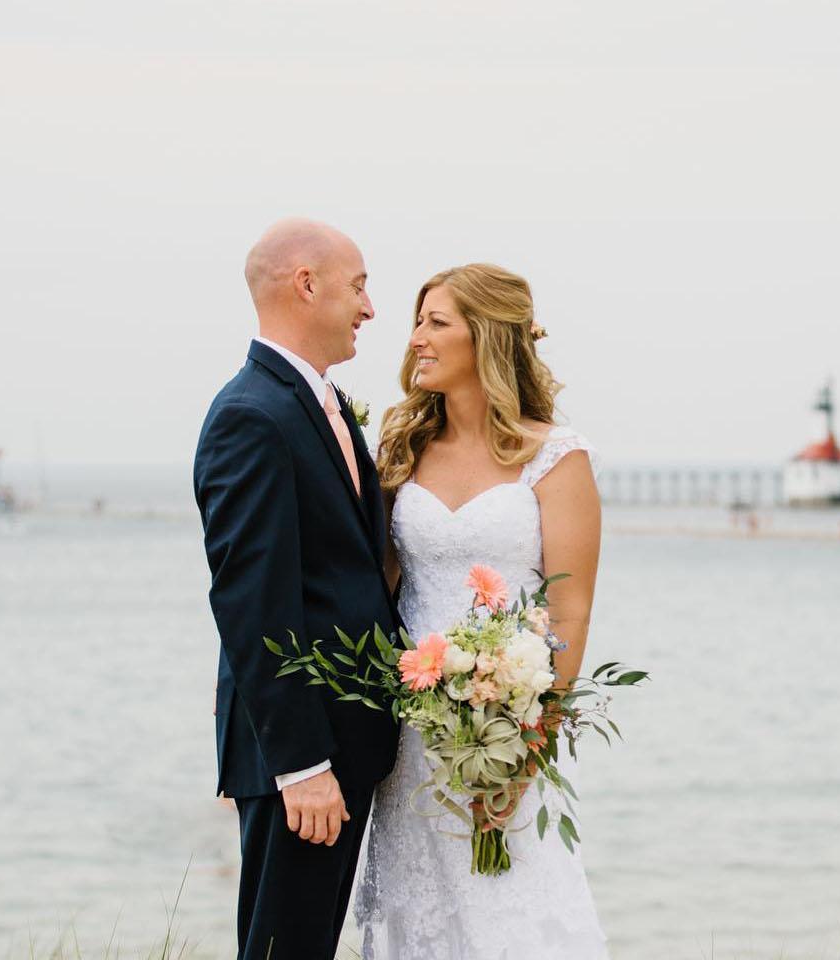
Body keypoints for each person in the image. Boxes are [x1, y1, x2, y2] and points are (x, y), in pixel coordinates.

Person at [356, 263, 609, 958]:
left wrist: (527, 750)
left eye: (436, 323)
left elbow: (572, 611)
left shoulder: (555, 457)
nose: (416, 340)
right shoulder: (402, 449)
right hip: (413, 729)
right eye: (417, 322)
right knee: (422, 911)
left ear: (488, 338)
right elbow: (376, 585)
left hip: (509, 726)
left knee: (511, 906)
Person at [193, 218, 399, 959]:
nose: (371, 308)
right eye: (360, 285)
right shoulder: (252, 416)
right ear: (306, 284)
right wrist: (304, 765)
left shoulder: (322, 403)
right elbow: (253, 602)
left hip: (346, 744)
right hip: (306, 762)